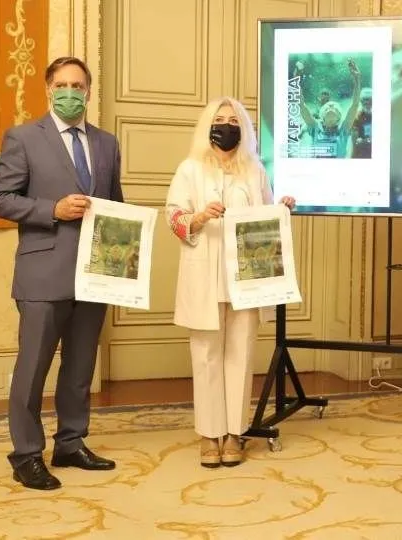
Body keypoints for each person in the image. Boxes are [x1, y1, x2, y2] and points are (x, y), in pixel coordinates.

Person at [0, 56, 122, 490]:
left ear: (88, 91)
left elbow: (115, 204)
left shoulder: (106, 143)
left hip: (94, 273)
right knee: (32, 369)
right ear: (48, 90)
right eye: (61, 84)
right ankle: (26, 454)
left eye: (77, 85)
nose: (69, 92)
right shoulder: (24, 138)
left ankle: (70, 442)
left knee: (81, 366)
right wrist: (52, 210)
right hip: (43, 271)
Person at [165, 97, 296, 468]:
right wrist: (199, 217)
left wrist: (283, 207)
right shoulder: (190, 169)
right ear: (208, 126)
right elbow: (172, 215)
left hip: (246, 280)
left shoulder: (255, 171)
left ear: (245, 128)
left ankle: (235, 433)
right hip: (204, 275)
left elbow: (268, 219)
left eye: (233, 120)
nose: (226, 126)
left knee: (240, 355)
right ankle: (209, 435)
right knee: (206, 356)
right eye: (219, 120)